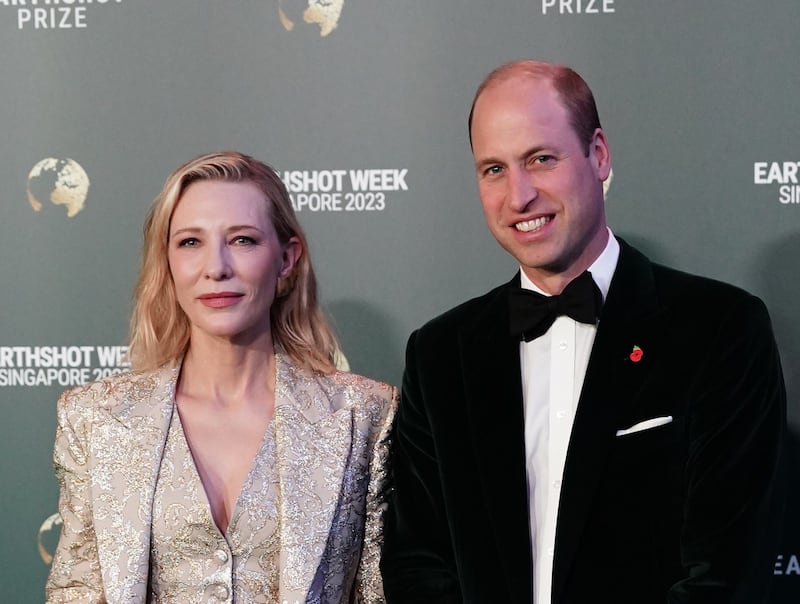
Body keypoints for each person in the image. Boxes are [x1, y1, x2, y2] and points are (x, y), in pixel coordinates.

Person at [380, 60, 786, 603]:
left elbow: (726, 572)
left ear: (599, 154)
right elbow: (418, 564)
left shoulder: (719, 329)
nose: (518, 195)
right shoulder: (440, 354)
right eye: (493, 170)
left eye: (540, 159)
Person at [45, 151, 398, 603]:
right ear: (167, 263)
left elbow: (378, 594)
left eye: (243, 240)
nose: (216, 267)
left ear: (287, 261)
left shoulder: (363, 415)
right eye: (190, 242)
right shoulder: (96, 419)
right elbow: (76, 594)